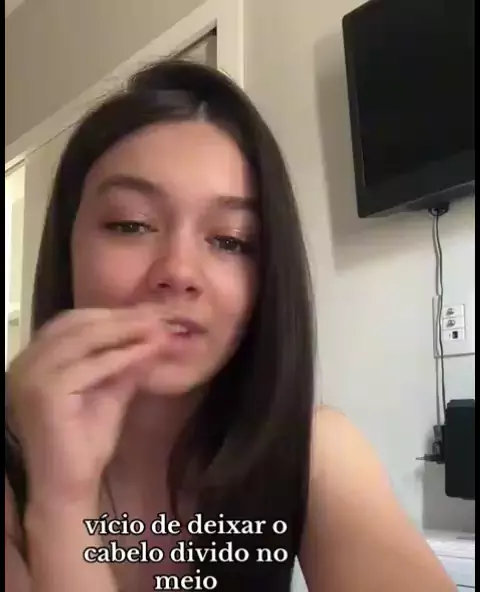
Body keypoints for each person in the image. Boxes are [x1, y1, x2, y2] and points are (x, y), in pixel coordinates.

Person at [5, 59, 455, 592]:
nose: (179, 271)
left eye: (230, 240)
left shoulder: (314, 453)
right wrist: (60, 506)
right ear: (67, 248)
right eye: (131, 224)